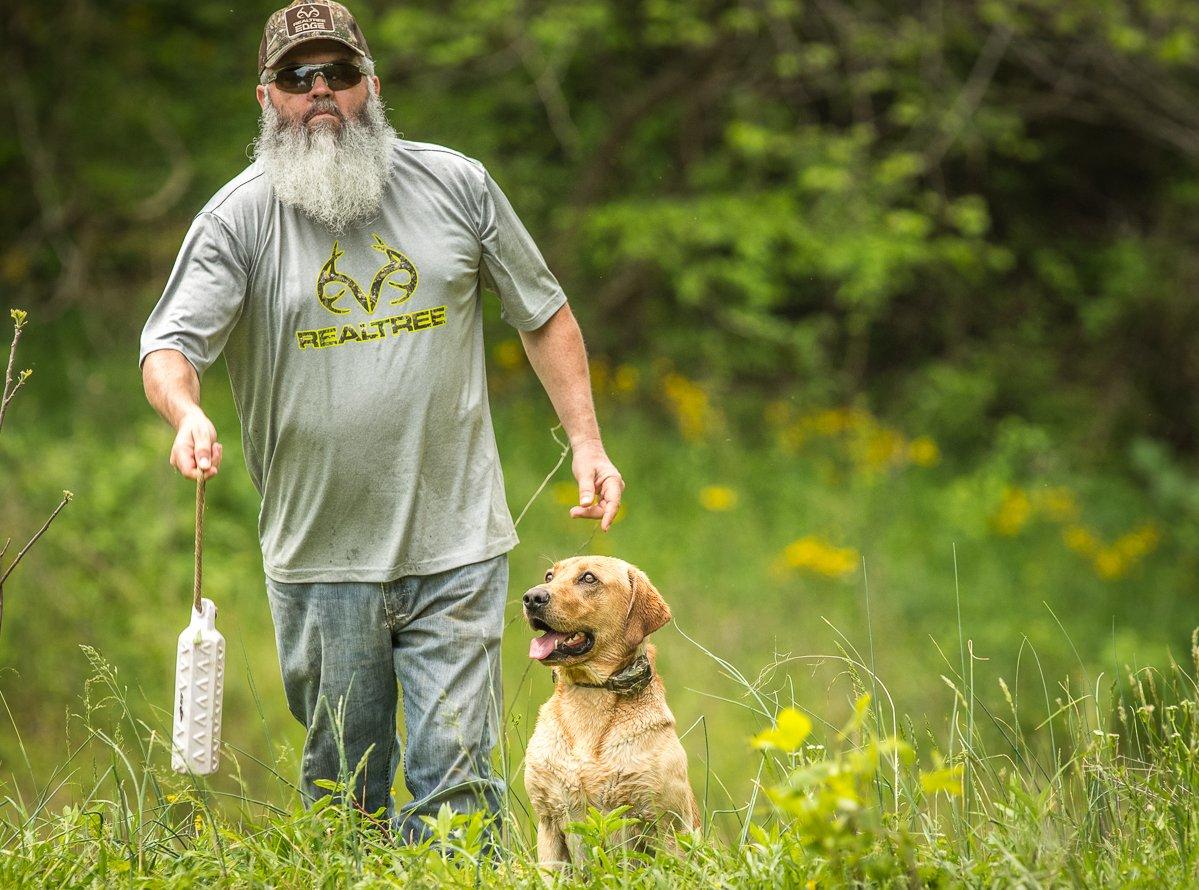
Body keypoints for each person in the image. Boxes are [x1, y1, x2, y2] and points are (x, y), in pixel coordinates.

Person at [138, 0, 623, 840]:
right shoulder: (238, 218)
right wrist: (185, 413)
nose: (320, 90)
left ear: (373, 85)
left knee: (457, 793)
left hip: (458, 542)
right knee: (346, 794)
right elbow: (170, 346)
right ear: (267, 97)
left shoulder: (456, 185)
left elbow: (543, 314)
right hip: (322, 557)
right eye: (298, 76)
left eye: (340, 73)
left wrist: (586, 441)